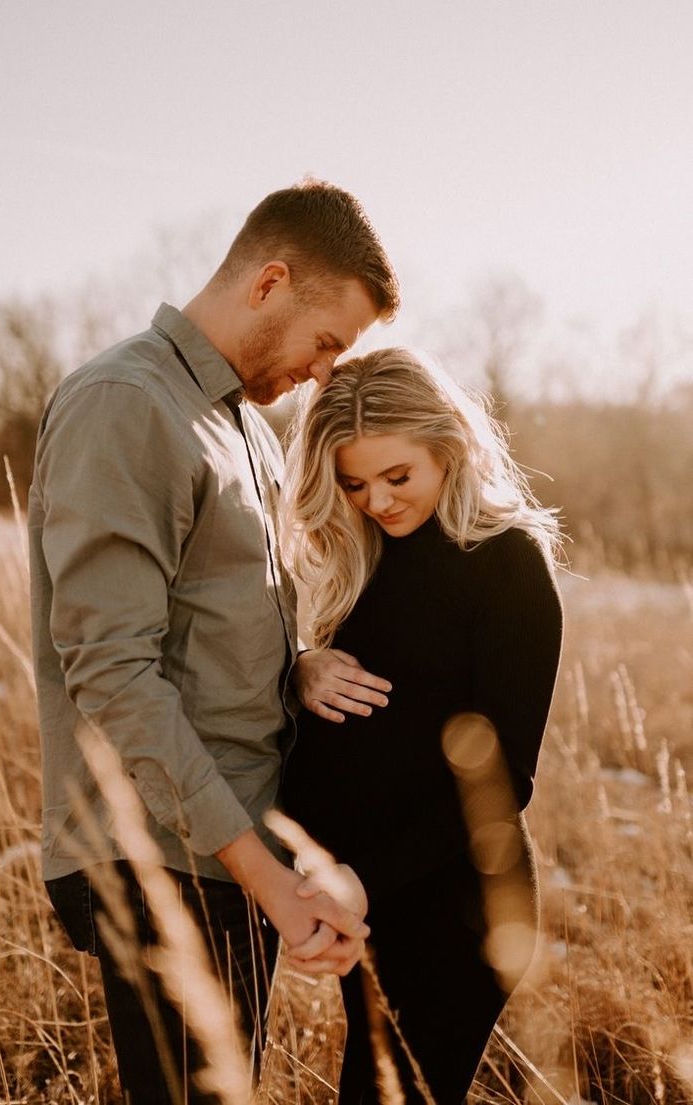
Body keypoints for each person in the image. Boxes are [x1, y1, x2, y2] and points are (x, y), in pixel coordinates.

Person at [27, 179, 399, 1104]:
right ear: (270, 281)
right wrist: (263, 874)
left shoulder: (245, 429)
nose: (323, 372)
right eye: (325, 343)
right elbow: (113, 670)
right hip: (162, 856)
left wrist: (300, 660)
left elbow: (208, 620)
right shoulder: (127, 403)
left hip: (225, 851)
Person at [280, 348, 564, 1104]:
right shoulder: (364, 555)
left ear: (449, 446)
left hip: (453, 912)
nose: (375, 499)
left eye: (396, 476)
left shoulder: (506, 563)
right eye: (353, 482)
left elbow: (505, 782)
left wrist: (357, 882)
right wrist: (302, 664)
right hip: (371, 907)